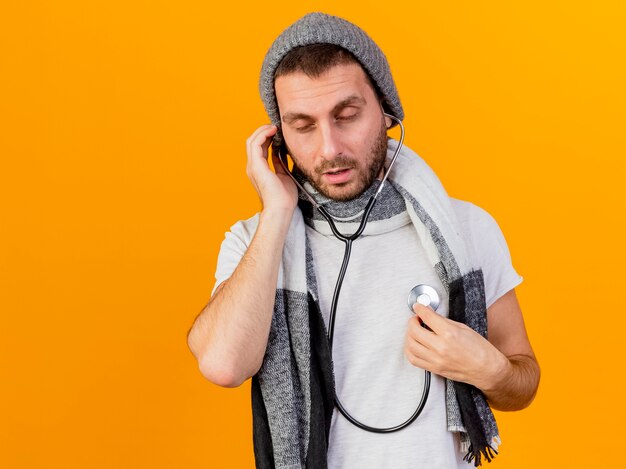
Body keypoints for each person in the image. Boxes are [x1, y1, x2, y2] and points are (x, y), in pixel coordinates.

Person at [187, 12, 540, 469]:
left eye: (346, 115)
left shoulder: (465, 229)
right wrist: (276, 213)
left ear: (387, 111)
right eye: (303, 126)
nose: (329, 147)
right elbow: (223, 365)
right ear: (278, 139)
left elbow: (523, 381)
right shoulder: (255, 243)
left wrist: (487, 368)